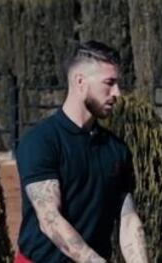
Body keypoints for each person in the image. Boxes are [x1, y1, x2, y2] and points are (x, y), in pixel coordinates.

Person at [15, 41, 148, 263]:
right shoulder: (40, 141)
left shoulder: (116, 150)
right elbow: (50, 219)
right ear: (80, 81)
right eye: (109, 83)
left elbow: (127, 218)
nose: (117, 93)